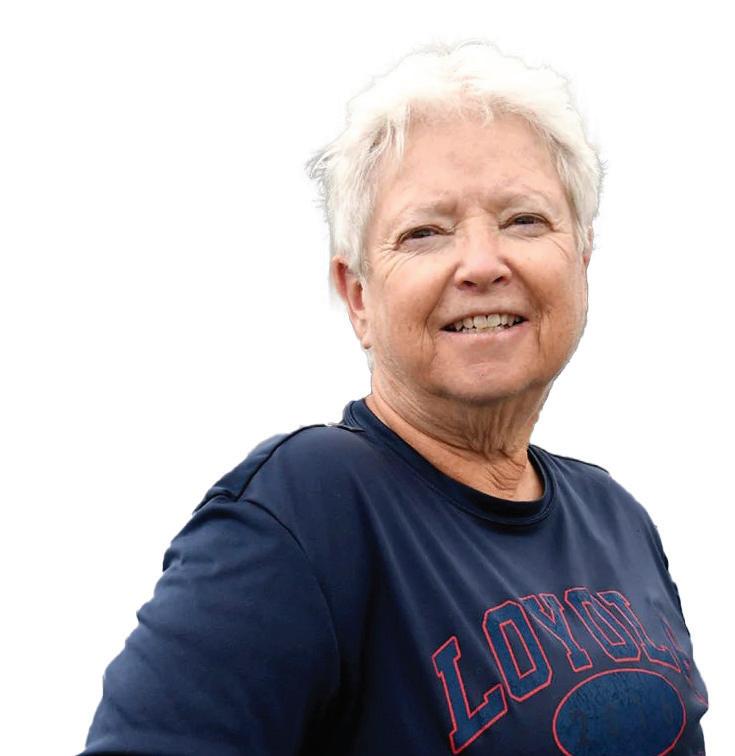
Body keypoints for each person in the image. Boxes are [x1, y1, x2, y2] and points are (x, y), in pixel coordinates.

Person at [81, 40, 708, 755]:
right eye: (425, 233)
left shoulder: (616, 519)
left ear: (582, 260)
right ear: (358, 297)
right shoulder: (305, 510)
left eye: (524, 220)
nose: (481, 264)